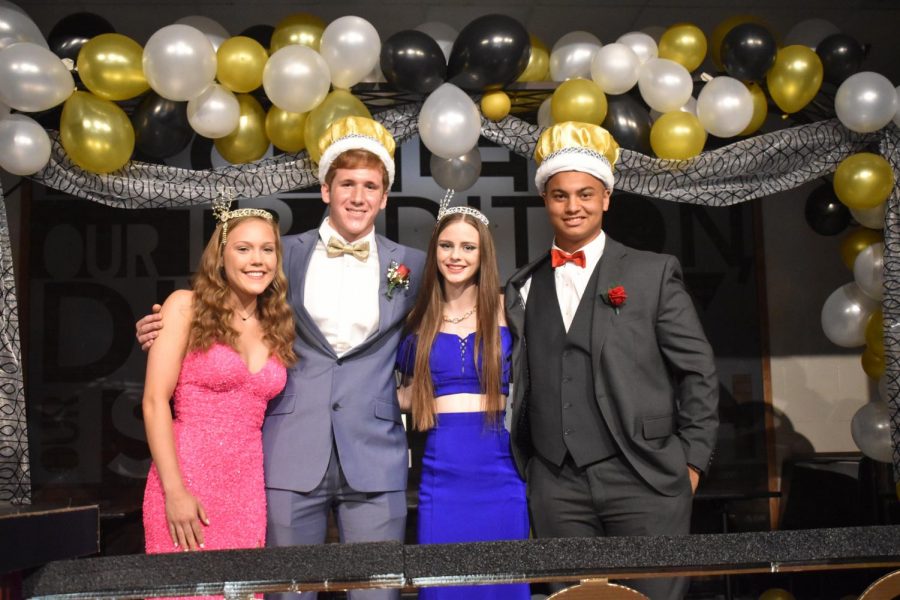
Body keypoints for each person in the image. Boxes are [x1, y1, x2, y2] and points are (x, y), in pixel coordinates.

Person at [137, 116, 426, 600]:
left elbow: (450, 321)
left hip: (375, 459)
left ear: (384, 196)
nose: (358, 196)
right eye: (347, 184)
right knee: (286, 593)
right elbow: (217, 304)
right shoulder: (277, 255)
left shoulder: (413, 265)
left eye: (370, 186)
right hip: (287, 457)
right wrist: (160, 328)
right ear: (325, 190)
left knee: (377, 593)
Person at [503, 122, 719, 600]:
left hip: (644, 475)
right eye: (560, 195)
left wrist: (693, 461)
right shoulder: (522, 284)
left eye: (585, 194)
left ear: (606, 198)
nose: (573, 206)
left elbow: (697, 371)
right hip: (557, 485)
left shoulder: (652, 272)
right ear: (546, 200)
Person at [142, 204, 295, 562]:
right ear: (220, 256)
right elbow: (153, 402)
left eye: (267, 249)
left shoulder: (277, 324)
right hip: (186, 477)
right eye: (243, 248)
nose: (257, 260)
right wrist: (175, 491)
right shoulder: (185, 307)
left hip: (246, 490)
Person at [396, 208, 529, 600]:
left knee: (501, 584)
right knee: (445, 587)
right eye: (446, 245)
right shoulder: (417, 319)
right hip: (442, 470)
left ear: (483, 254)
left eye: (468, 247)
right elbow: (402, 394)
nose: (456, 255)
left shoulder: (508, 310)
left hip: (499, 467)